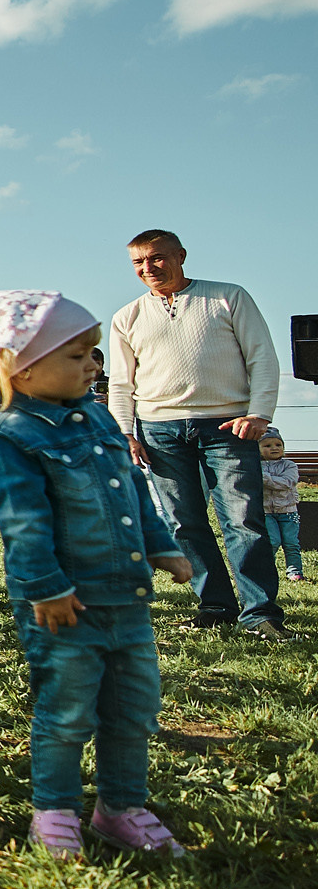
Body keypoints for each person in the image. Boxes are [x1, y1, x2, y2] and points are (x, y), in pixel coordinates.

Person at [0, 290, 192, 858]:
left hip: (126, 599)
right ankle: (54, 810)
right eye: (80, 354)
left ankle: (121, 807)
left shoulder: (97, 417)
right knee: (66, 713)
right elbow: (23, 521)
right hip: (62, 605)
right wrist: (46, 588)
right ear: (23, 365)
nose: (95, 365)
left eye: (95, 354)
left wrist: (164, 546)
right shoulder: (9, 435)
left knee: (134, 710)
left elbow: (135, 491)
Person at [108, 230, 287, 639]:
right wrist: (124, 433)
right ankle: (215, 607)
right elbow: (120, 384)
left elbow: (262, 356)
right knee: (183, 524)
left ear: (180, 256)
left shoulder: (228, 296)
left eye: (157, 258)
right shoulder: (127, 317)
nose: (148, 268)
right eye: (139, 262)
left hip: (229, 425)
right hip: (158, 431)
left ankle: (260, 614)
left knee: (244, 521)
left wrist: (259, 413)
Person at [263, 433, 304, 582]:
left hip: (288, 511)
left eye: (278, 445)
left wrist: (265, 478)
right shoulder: (255, 465)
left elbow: (287, 482)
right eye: (267, 445)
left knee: (291, 543)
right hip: (266, 511)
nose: (274, 448)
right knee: (272, 542)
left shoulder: (289, 465)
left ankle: (295, 571)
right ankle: (267, 571)